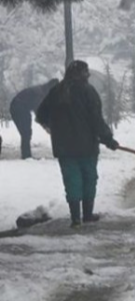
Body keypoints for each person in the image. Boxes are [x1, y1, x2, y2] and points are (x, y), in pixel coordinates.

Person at [35, 60, 119, 228]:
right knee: (89, 178)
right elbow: (96, 119)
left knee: (72, 180)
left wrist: (53, 127)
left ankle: (75, 218)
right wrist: (107, 138)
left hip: (64, 148)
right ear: (84, 74)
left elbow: (41, 114)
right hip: (87, 146)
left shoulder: (56, 91)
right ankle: (87, 215)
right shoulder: (88, 91)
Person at [9, 78, 59, 159]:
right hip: (18, 108)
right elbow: (39, 113)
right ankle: (26, 156)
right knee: (26, 132)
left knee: (26, 132)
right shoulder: (40, 94)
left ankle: (26, 154)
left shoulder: (42, 91)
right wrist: (47, 126)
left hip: (21, 107)